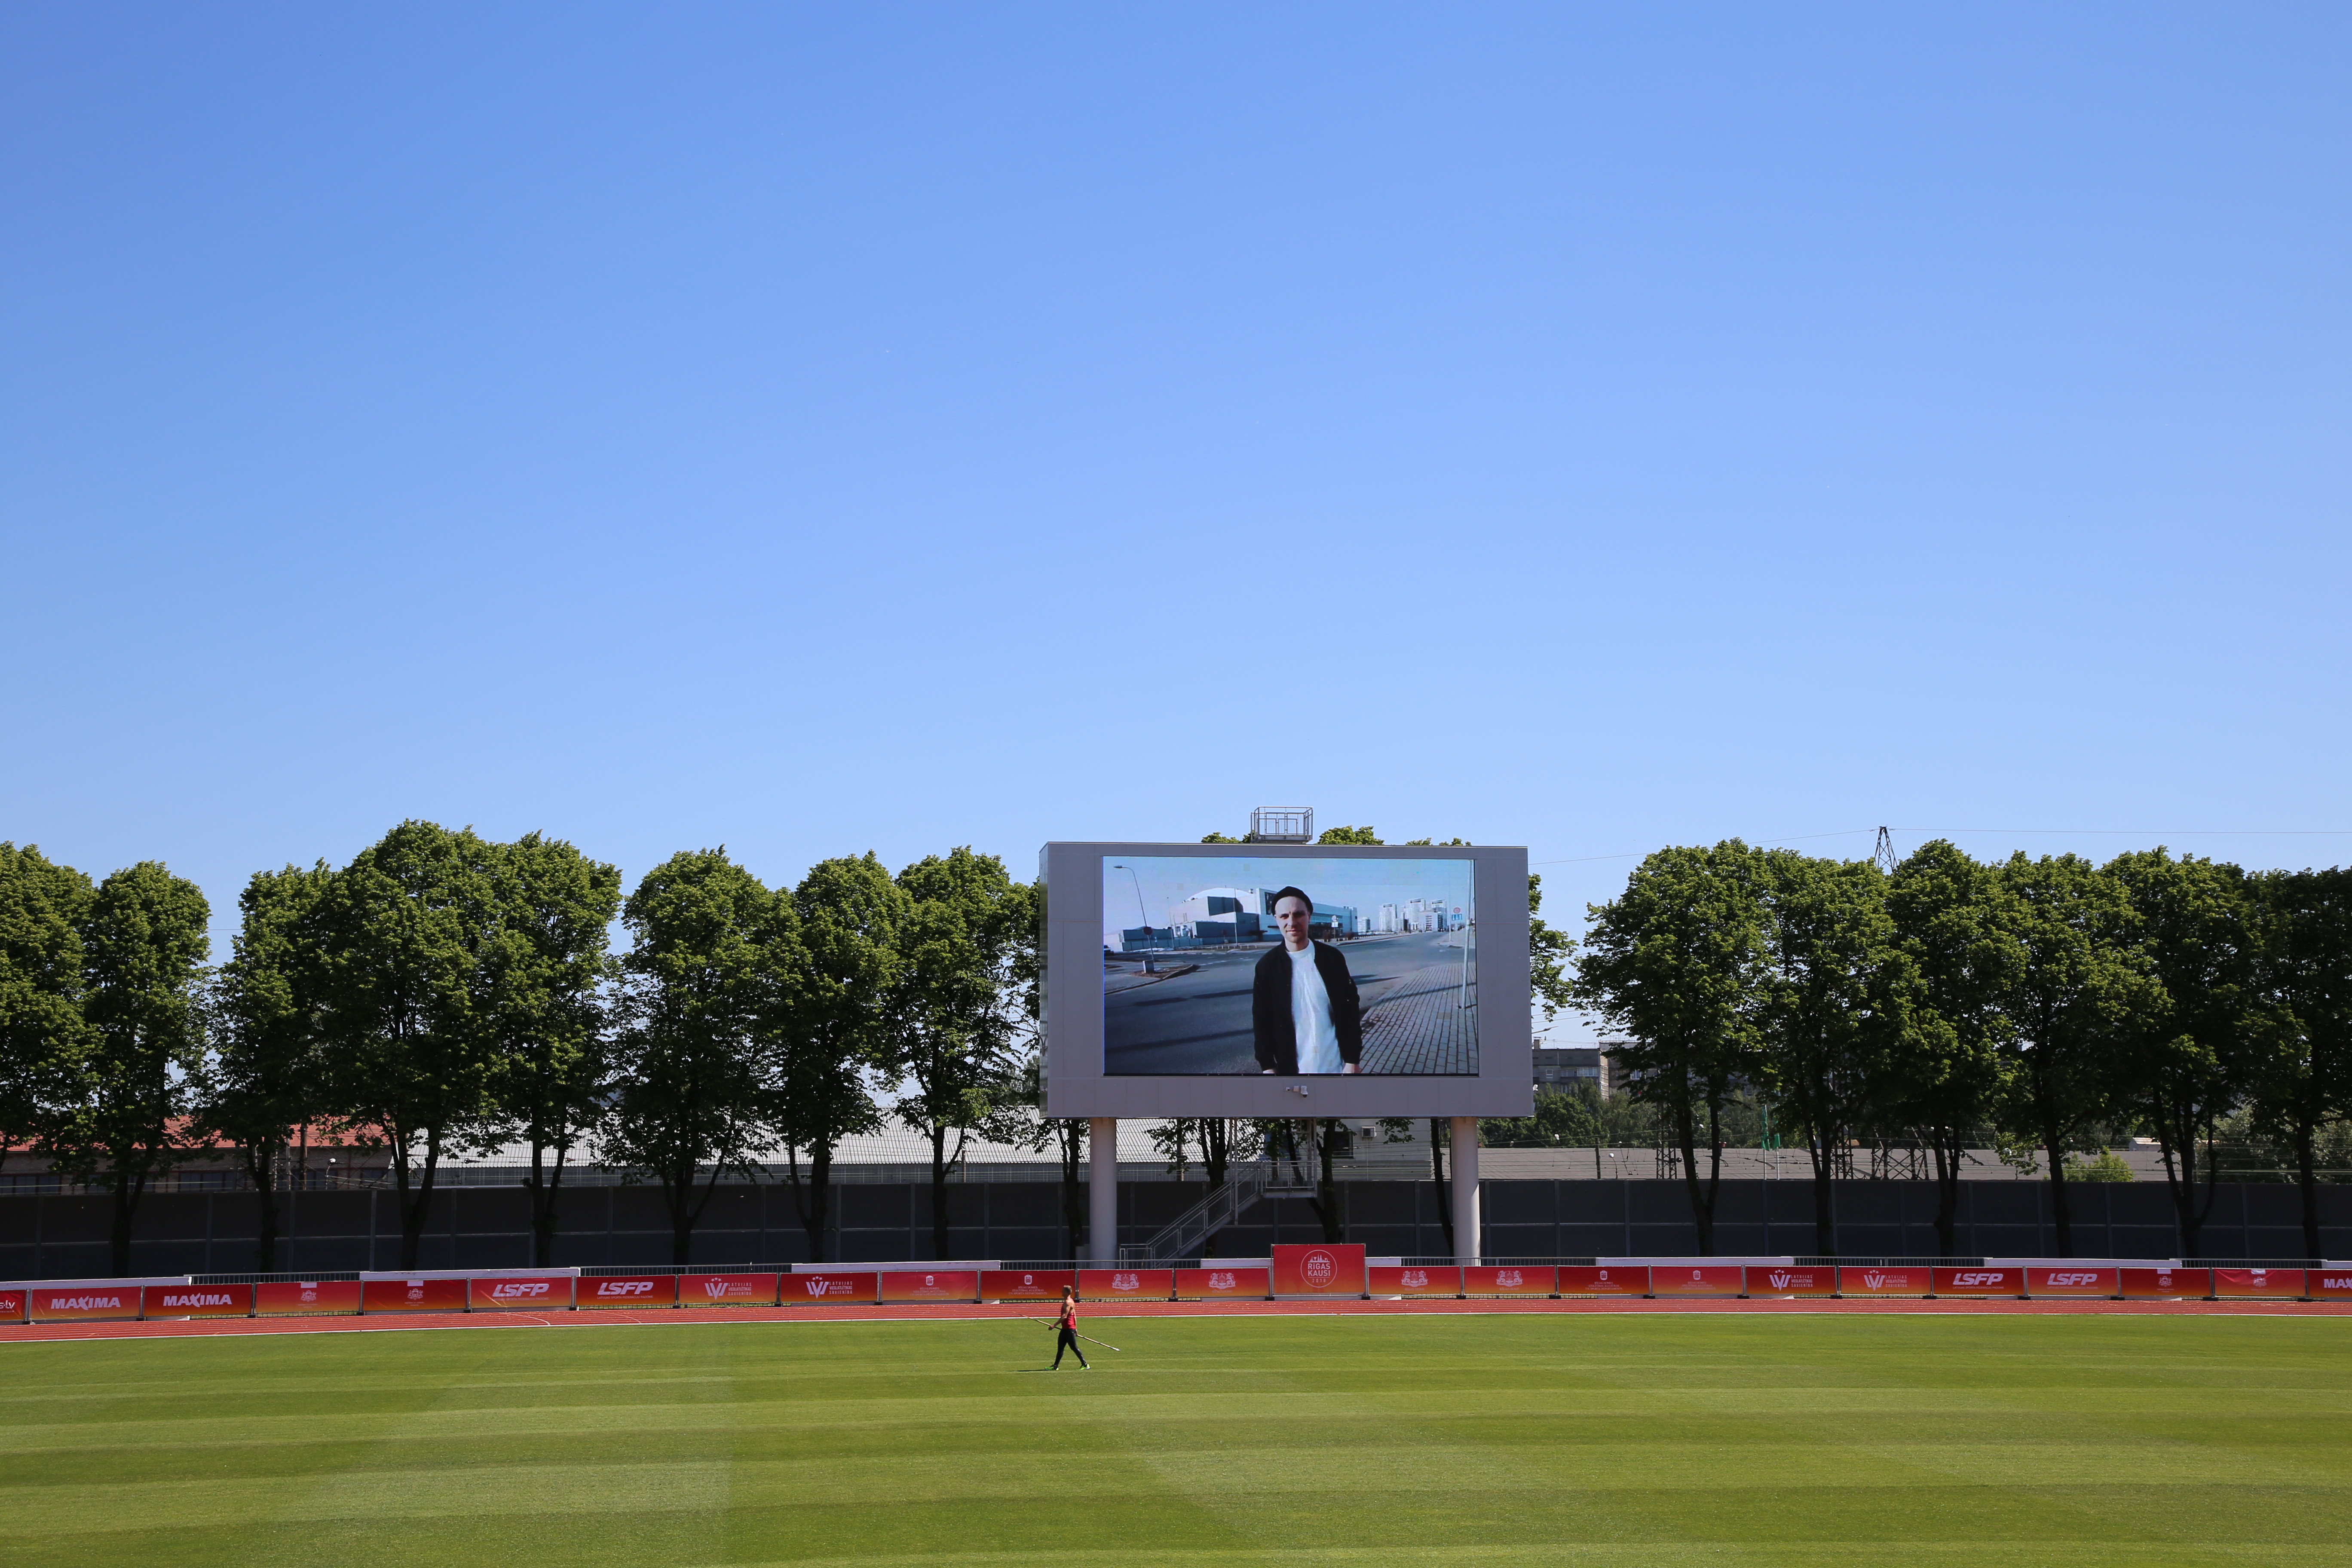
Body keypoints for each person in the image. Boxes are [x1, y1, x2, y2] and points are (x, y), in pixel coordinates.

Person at [1251, 886, 1363, 1074]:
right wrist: (1268, 1066)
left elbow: (1350, 1010)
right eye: (1285, 916)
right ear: (1276, 920)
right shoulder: (1267, 967)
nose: (1292, 922)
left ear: (1309, 916)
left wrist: (1353, 1060)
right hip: (1292, 1072)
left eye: (1298, 914)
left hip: (1337, 1068)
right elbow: (1262, 1020)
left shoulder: (1332, 959)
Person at [1051, 1286, 1088, 1369]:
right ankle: (1055, 1366)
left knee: (1074, 1347)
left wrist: (1054, 1325)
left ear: (1067, 1292)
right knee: (1061, 1348)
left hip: (1068, 1329)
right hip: (1066, 1329)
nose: (1061, 1292)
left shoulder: (1068, 1303)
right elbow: (1074, 1315)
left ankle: (1085, 1364)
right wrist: (1076, 1328)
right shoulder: (1071, 1301)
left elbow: (1064, 1316)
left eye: (1063, 1291)